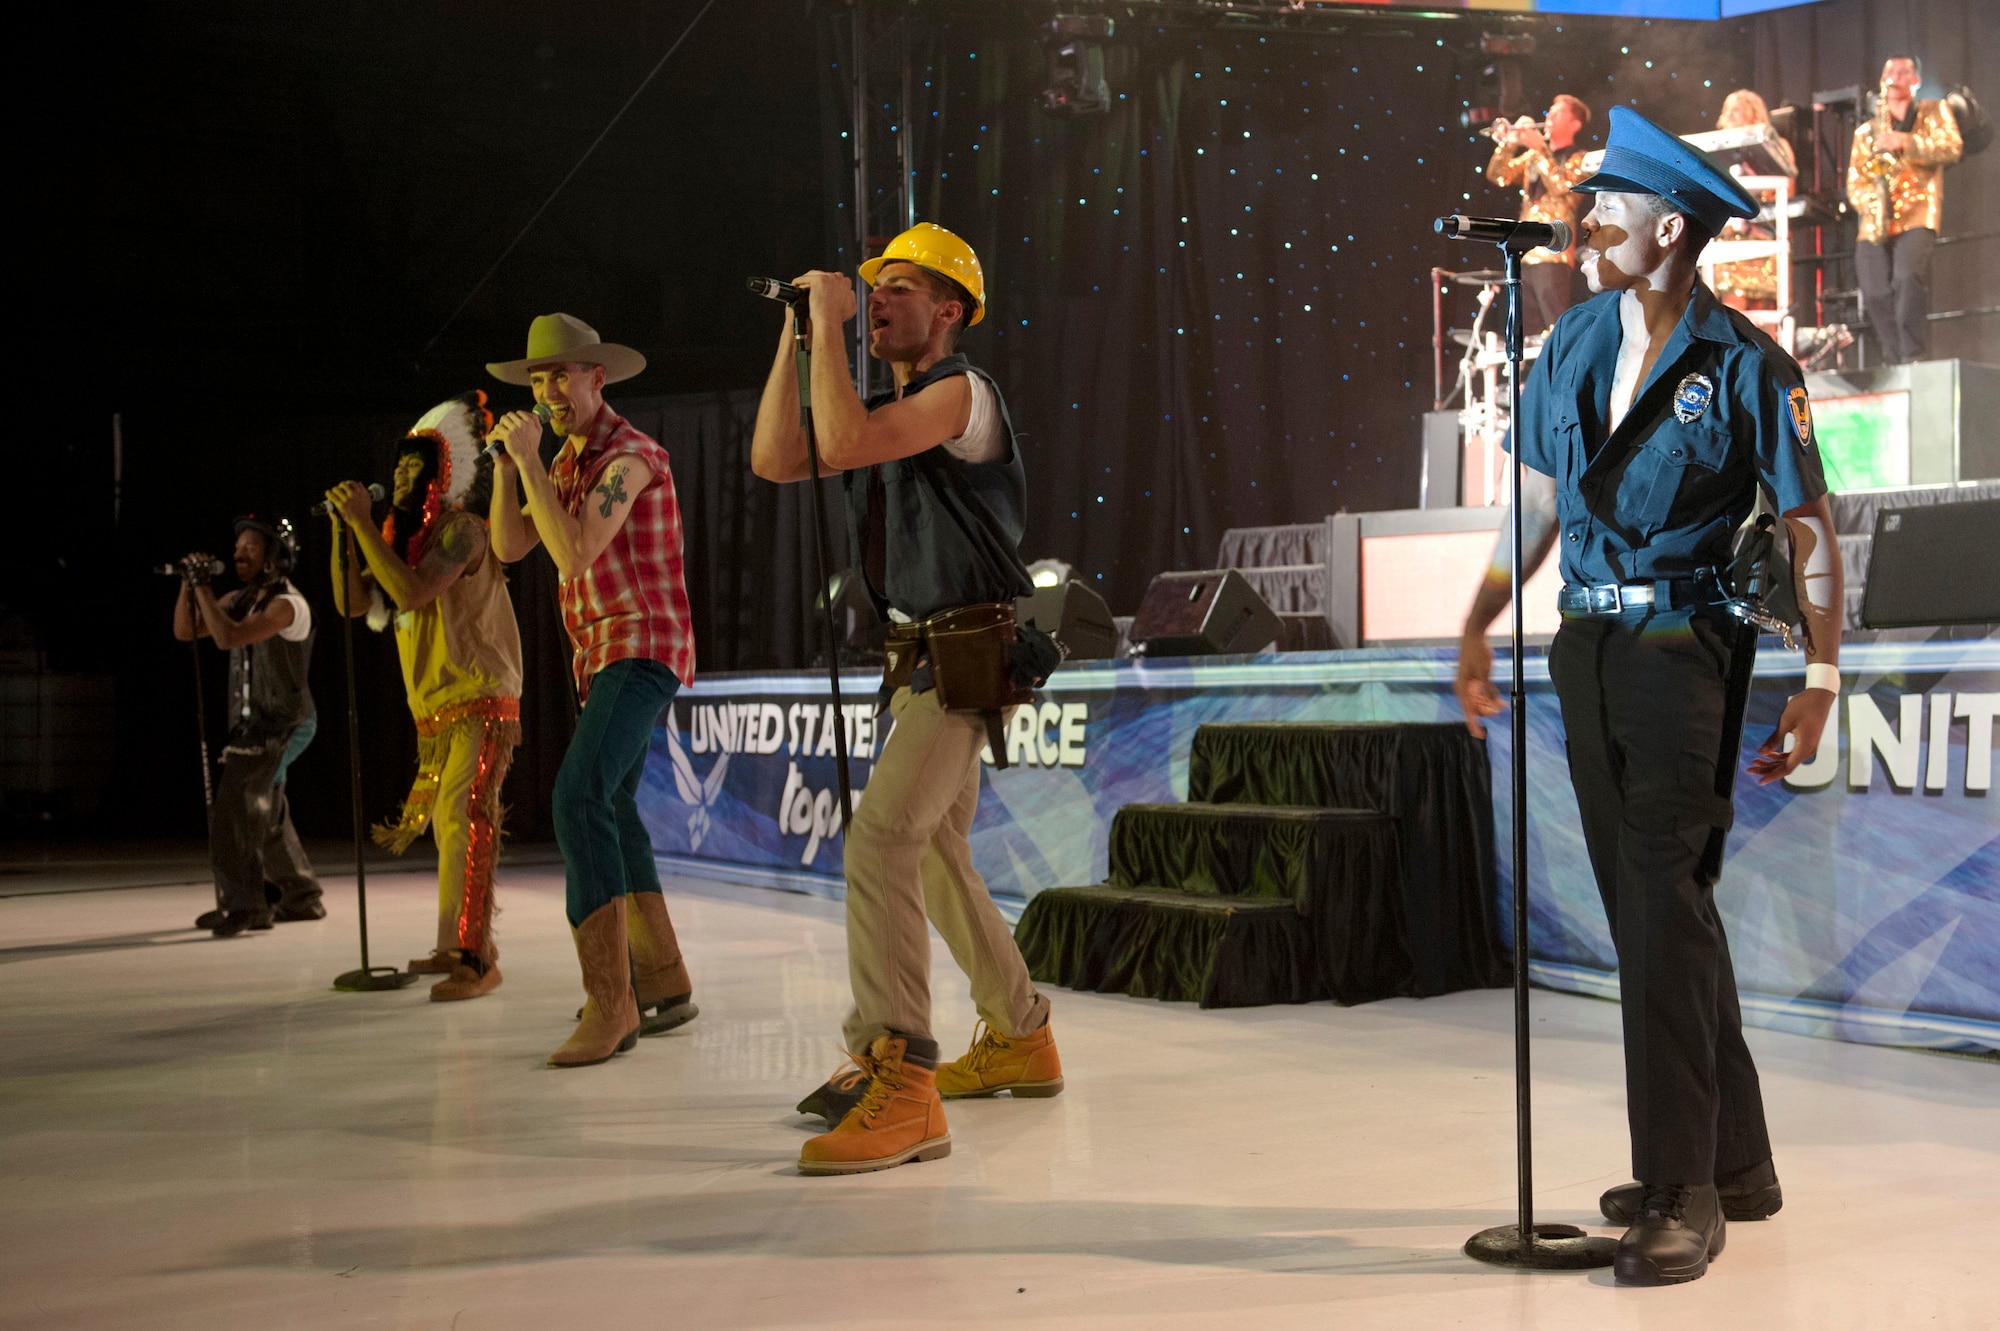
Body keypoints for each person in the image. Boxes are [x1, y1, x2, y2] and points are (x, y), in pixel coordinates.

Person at [1452, 107, 1844, 1286]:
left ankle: (1678, 1188)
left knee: (1660, 892)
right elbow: (1533, 507)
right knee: (1650, 912)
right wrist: (1474, 621)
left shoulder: (1744, 366)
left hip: (1687, 647)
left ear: (1668, 226)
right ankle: (1735, 1160)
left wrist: (1821, 673)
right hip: (1584, 646)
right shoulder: (1568, 341)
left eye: (1609, 205)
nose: (1588, 215)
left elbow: (1806, 526)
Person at [750, 222, 1063, 1176]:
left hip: (963, 659)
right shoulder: (887, 410)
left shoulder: (957, 394)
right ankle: (1020, 1031)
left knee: (884, 838)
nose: (877, 297)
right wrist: (801, 335)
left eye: (900, 286)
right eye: (871, 286)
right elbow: (778, 455)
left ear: (950, 310)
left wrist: (833, 323)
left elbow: (838, 436)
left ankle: (901, 1075)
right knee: (932, 853)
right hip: (924, 658)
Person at [486, 314, 699, 1066]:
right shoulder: (566, 463)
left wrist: (530, 460)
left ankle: (614, 1005)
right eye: (539, 379)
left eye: (562, 376)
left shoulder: (631, 457)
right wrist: (513, 470)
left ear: (597, 377)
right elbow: (512, 544)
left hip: (641, 648)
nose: (548, 392)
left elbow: (572, 553)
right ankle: (665, 979)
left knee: (577, 796)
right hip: (602, 655)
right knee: (609, 803)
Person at [325, 394, 523, 1002]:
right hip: (437, 706)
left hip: (481, 695)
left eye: (415, 468)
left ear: (443, 475)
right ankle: (451, 941)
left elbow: (410, 595)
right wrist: (346, 533)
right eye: (398, 468)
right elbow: (352, 604)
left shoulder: (463, 529)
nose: (400, 477)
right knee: (448, 824)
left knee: (466, 817)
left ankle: (476, 956)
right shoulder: (400, 539)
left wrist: (361, 525)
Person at [172, 517, 325, 936]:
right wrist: (190, 583)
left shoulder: (287, 605)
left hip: (284, 723)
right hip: (256, 725)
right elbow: (186, 630)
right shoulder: (242, 599)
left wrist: (203, 587)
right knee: (264, 806)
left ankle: (247, 906)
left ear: (275, 558)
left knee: (236, 809)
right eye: (237, 546)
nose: (239, 553)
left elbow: (228, 638)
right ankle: (301, 895)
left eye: (251, 549)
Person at [1846, 55, 1962, 365]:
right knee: (1874, 292)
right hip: (1876, 219)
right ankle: (1895, 358)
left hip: (1917, 212)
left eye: (1903, 71)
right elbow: (1855, 180)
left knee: (1907, 278)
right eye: (1890, 71)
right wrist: (1872, 204)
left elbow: (1952, 147)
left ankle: (1911, 355)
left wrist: (1904, 141)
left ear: (1915, 80)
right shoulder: (1866, 132)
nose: (1895, 76)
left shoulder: (1933, 111)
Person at [1486, 93, 1594, 333]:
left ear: (1574, 124)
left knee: (1555, 324)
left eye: (1558, 112)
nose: (1550, 116)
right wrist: (1509, 143)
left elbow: (1560, 188)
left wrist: (1540, 148)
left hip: (1553, 253)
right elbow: (1498, 175)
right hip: (1525, 252)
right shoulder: (1534, 156)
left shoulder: (1579, 159)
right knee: (1527, 328)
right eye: (1550, 110)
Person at [1710, 90, 1796, 313]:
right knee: (1732, 309)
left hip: (1764, 234)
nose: (1729, 114)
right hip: (1729, 239)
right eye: (1726, 109)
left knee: (1767, 310)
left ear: (1753, 112)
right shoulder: (1713, 149)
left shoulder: (1776, 144)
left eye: (1736, 108)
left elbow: (1788, 188)